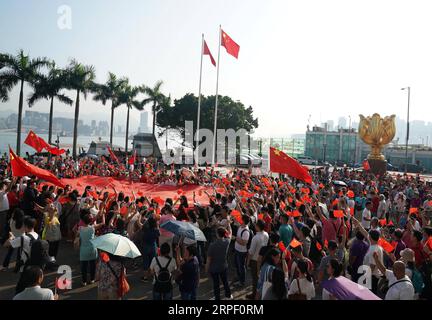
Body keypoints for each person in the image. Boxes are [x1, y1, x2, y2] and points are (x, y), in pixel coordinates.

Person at [206, 227, 232, 300]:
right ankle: (228, 295)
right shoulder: (227, 241)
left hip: (214, 268)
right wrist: (228, 225)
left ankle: (217, 298)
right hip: (223, 265)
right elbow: (230, 233)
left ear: (217, 234)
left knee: (216, 284)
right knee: (225, 281)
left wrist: (206, 269)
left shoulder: (212, 245)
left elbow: (208, 260)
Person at [246, 220, 269, 300]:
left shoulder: (255, 238)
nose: (255, 226)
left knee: (255, 278)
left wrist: (248, 261)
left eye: (256, 225)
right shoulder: (266, 234)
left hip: (255, 260)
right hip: (263, 259)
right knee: (261, 277)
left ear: (258, 227)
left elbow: (251, 252)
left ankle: (254, 294)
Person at [77, 212, 99, 286]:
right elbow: (102, 223)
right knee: (93, 265)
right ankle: (92, 279)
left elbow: (76, 234)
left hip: (83, 250)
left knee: (84, 266)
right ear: (90, 221)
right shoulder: (92, 228)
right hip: (92, 249)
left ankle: (84, 281)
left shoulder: (80, 228)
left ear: (83, 221)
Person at [141, 216, 160, 282]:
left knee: (145, 261)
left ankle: (145, 277)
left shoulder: (145, 229)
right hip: (153, 246)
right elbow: (158, 235)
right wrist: (157, 226)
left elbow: (142, 229)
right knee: (153, 261)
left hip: (146, 246)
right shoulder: (156, 230)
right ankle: (153, 275)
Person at [234, 215, 250, 287]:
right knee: (237, 265)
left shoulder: (246, 231)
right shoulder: (241, 226)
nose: (239, 219)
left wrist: (235, 238)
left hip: (242, 252)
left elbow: (244, 243)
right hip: (237, 249)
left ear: (243, 221)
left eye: (241, 219)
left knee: (241, 266)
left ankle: (242, 281)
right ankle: (239, 277)